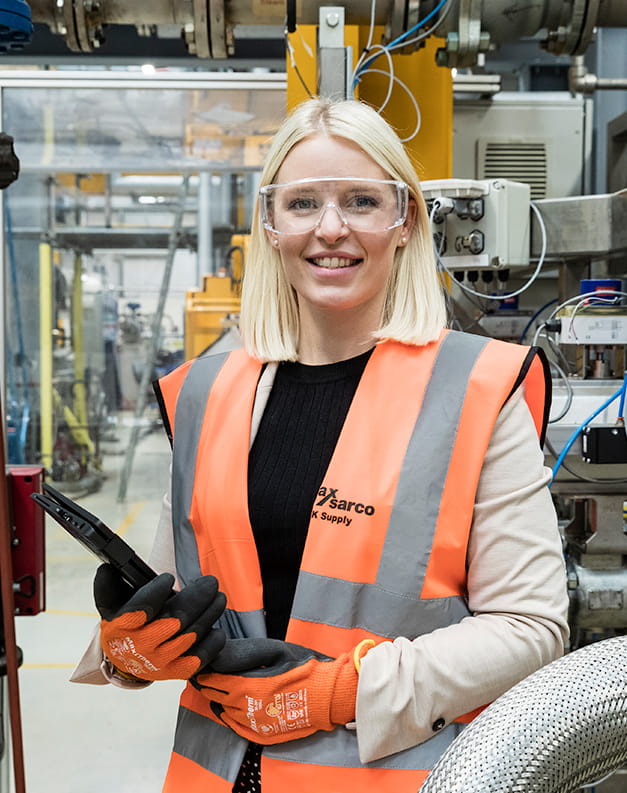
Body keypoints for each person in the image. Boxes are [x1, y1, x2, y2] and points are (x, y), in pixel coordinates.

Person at [73, 97, 569, 793]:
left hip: (395, 774)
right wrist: (128, 649)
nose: (330, 228)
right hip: (220, 775)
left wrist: (340, 692)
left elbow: (529, 624)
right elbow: (172, 587)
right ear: (271, 226)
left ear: (404, 223)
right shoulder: (205, 390)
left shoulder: (477, 388)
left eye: (361, 200)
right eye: (303, 203)